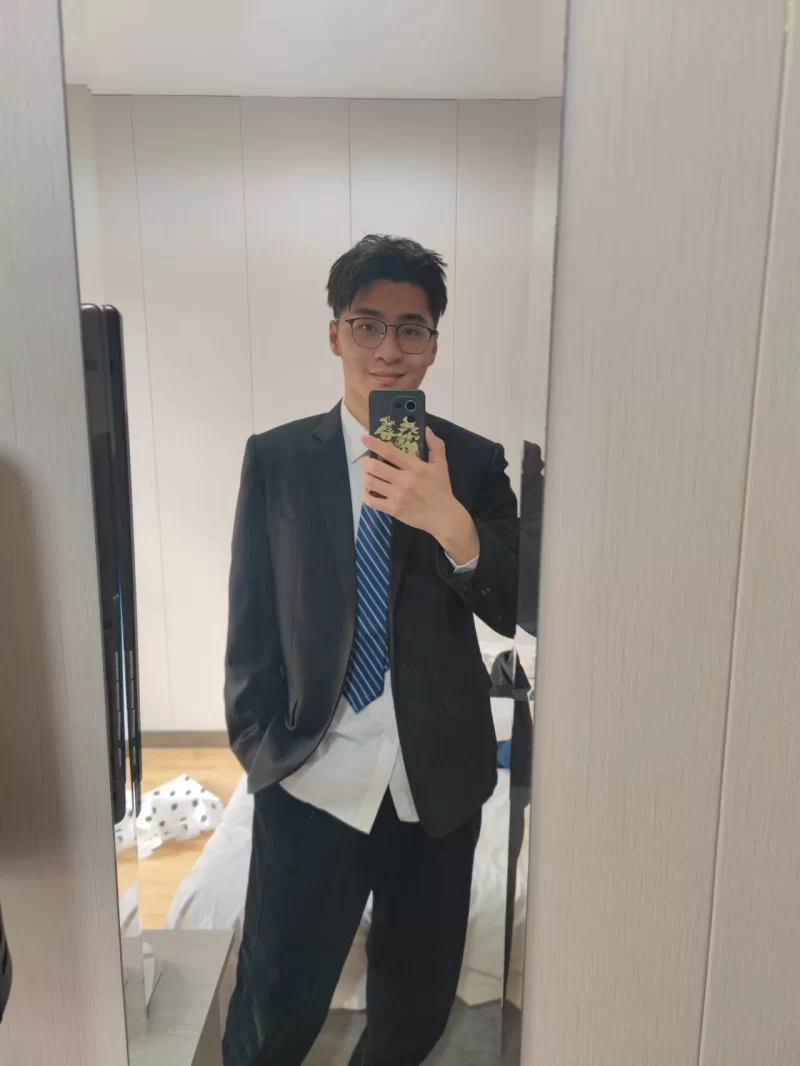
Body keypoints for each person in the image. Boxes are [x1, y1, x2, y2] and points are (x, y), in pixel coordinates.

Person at [222, 234, 518, 1066]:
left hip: (437, 791)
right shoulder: (279, 459)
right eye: (368, 325)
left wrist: (449, 519)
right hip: (313, 778)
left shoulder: (473, 463)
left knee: (413, 1017)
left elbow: (516, 606)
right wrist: (260, 747)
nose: (390, 349)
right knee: (274, 1009)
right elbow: (252, 615)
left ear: (434, 343)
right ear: (336, 334)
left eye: (411, 328)